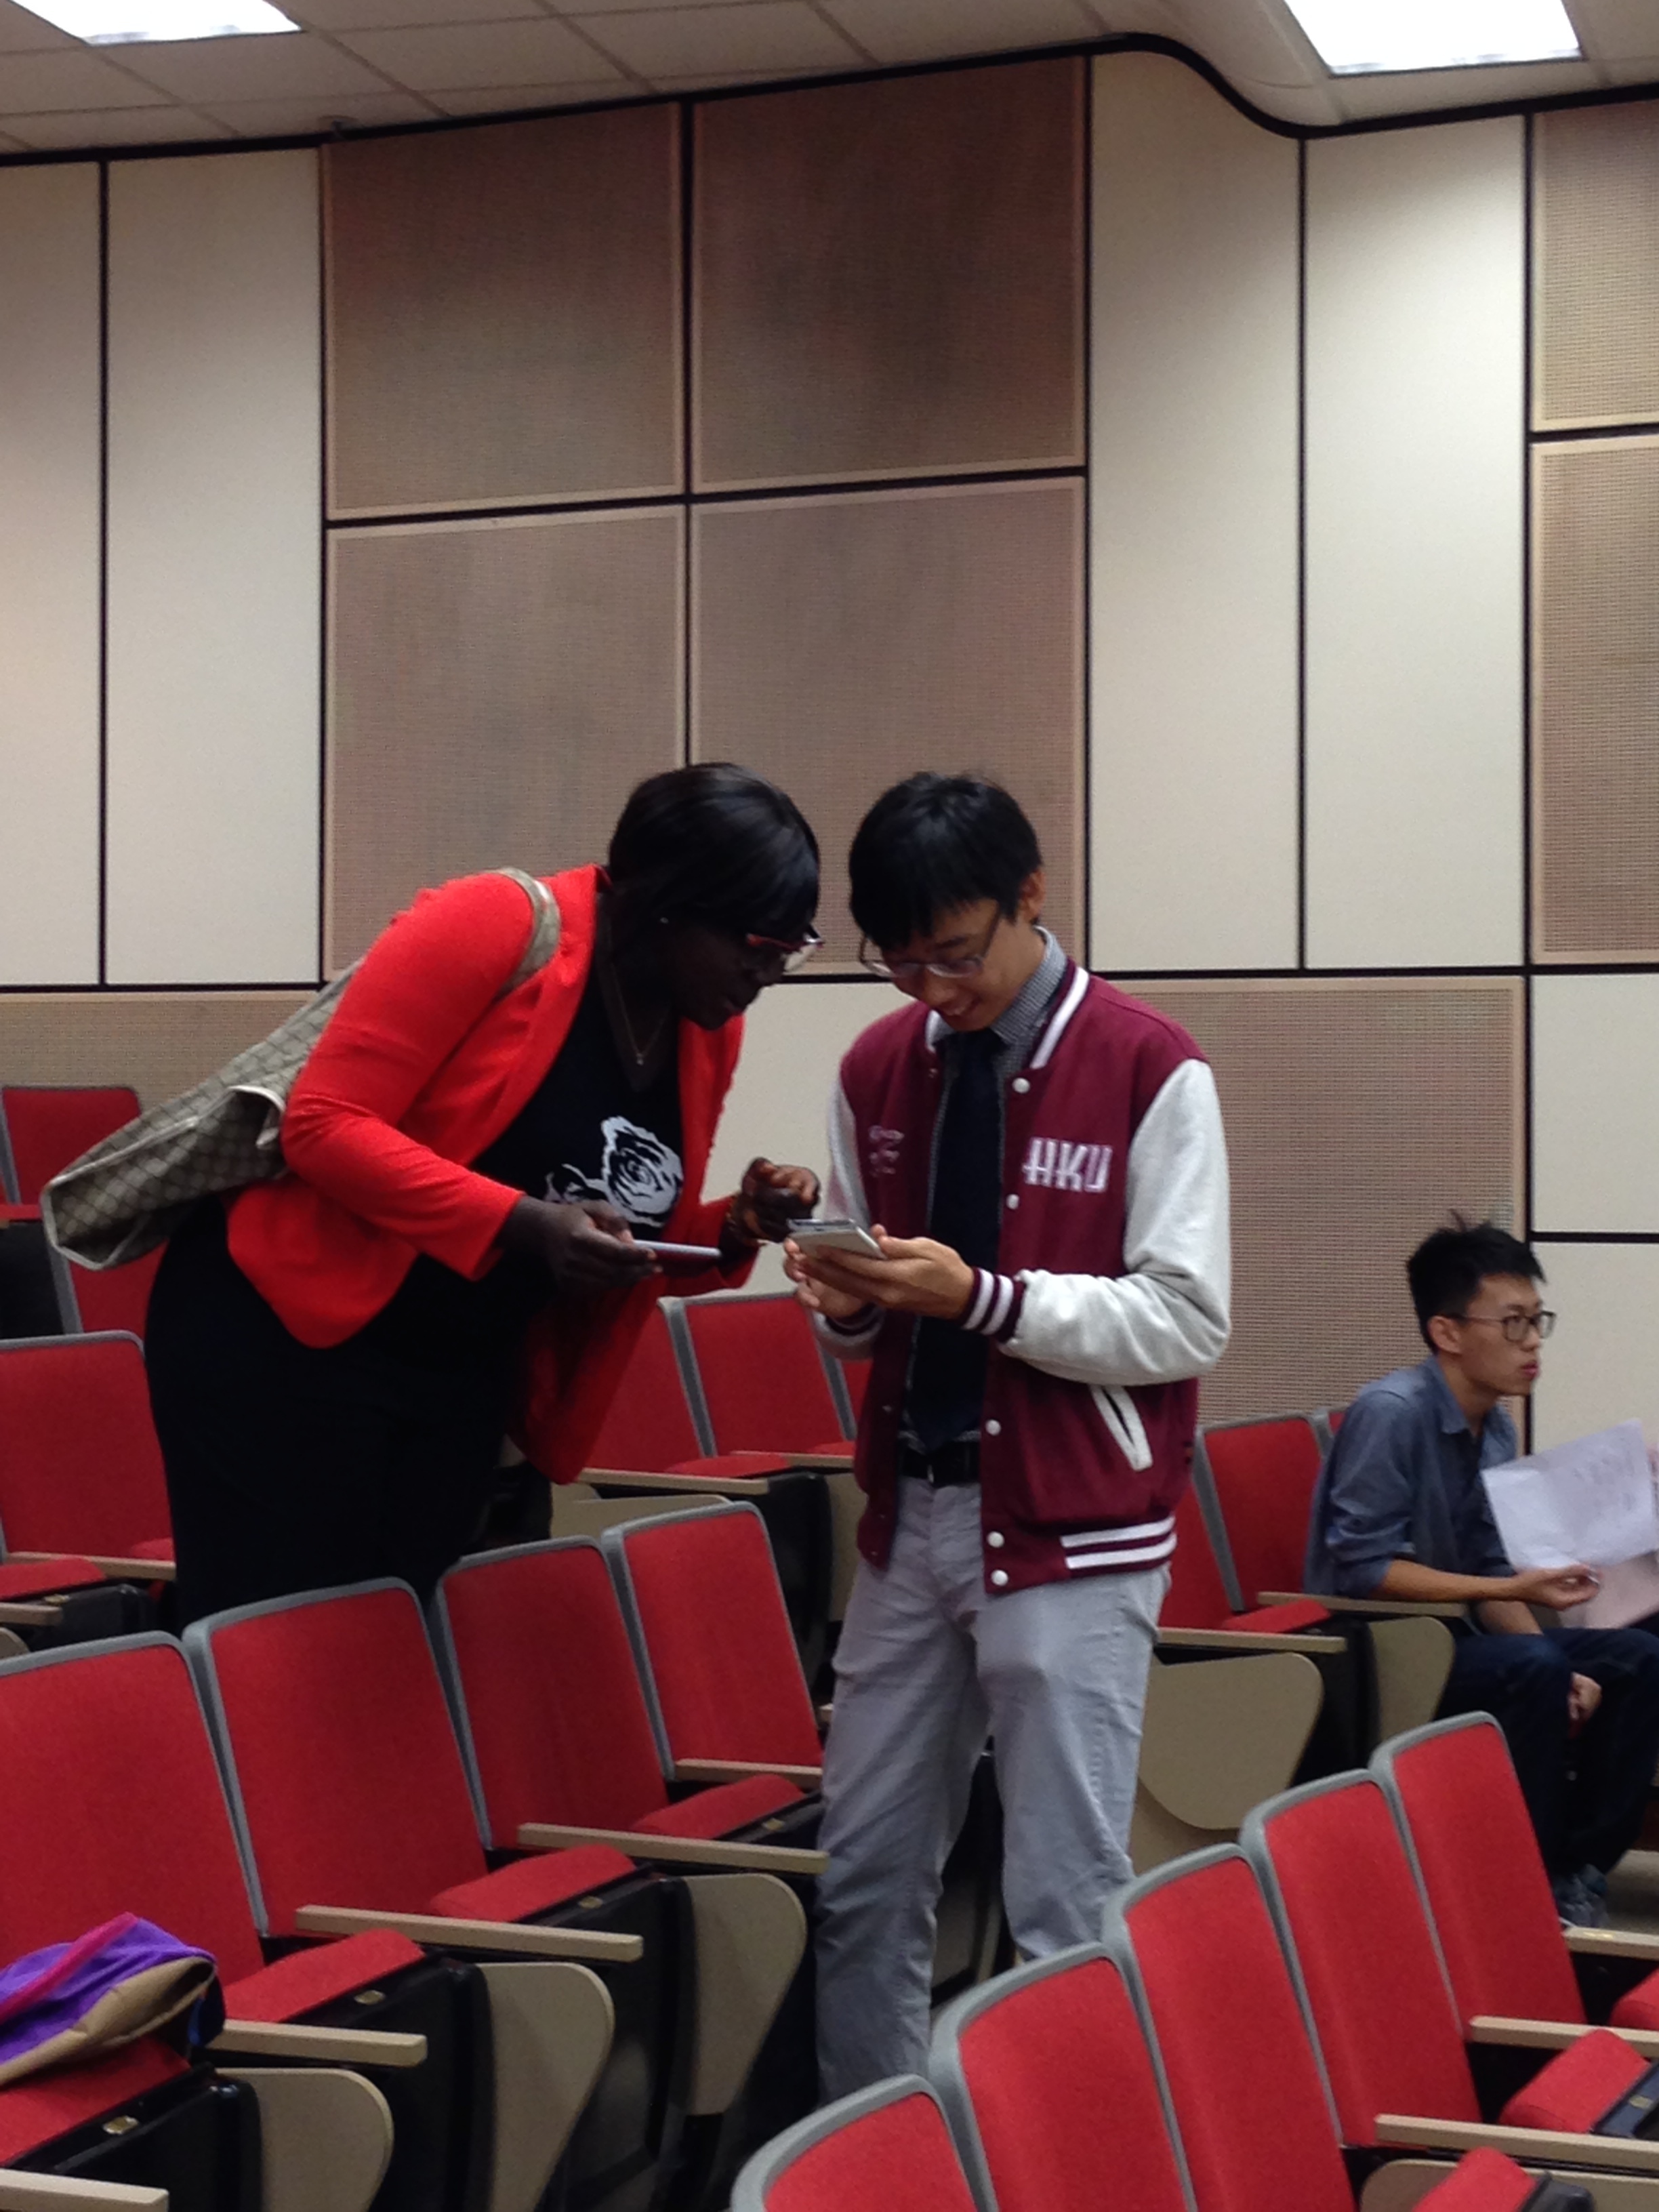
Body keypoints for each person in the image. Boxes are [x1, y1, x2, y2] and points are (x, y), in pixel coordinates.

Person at [784, 773, 1231, 2100]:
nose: (933, 988)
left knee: (1063, 1900)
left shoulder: (1148, 1063)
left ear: (1030, 897)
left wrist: (980, 1296)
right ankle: (869, 2160)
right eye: (898, 960)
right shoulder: (876, 1065)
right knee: (863, 1876)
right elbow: (871, 1323)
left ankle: (1076, 2158)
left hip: (1075, 1527)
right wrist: (848, 1303)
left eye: (956, 952)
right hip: (910, 1515)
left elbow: (1186, 1318)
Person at [146, 762, 823, 1629]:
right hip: (286, 1335)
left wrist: (733, 1225)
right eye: (759, 944)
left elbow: (611, 1217)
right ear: (669, 904)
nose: (770, 973)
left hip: (455, 1365)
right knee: (278, 1643)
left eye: (791, 949)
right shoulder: (495, 922)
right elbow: (322, 1124)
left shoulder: (706, 1028)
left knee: (398, 1642)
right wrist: (525, 1224)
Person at [1305, 1217, 1659, 1925]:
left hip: (1456, 1638)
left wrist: (1540, 1638)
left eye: (1537, 1321)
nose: (1532, 1343)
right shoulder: (1391, 1413)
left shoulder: (1495, 1425)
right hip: (1375, 1648)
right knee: (1534, 1669)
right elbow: (1365, 1571)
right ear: (1448, 1332)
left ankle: (1575, 1868)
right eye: (1513, 1323)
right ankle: (1522, 1883)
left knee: (1637, 1657)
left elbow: (1492, 1565)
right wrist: (1517, 1603)